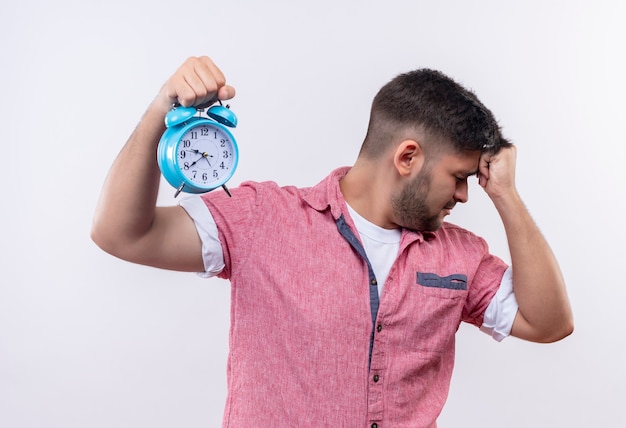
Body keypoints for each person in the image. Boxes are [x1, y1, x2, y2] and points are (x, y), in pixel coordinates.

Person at [91, 56, 573, 427]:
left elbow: (548, 323)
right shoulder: (263, 219)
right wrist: (162, 109)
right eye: (459, 177)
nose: (467, 195)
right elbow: (121, 233)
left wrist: (506, 194)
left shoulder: (460, 255)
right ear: (407, 157)